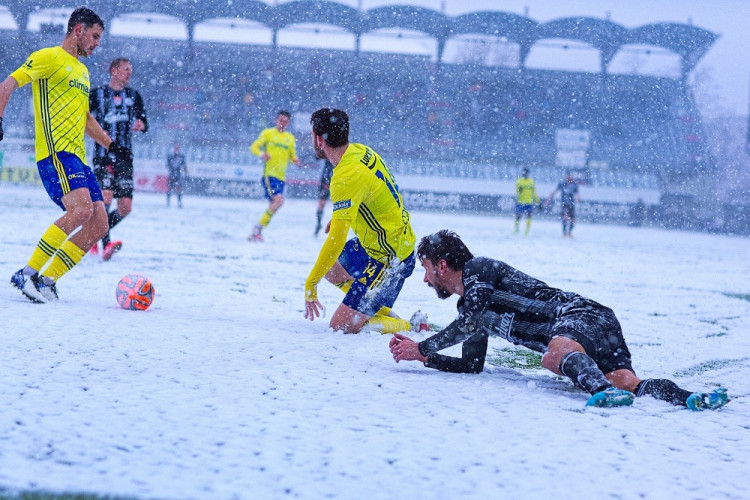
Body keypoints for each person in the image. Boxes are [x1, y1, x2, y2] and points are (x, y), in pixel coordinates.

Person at [389, 230, 730, 410]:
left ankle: (601, 393)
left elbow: (470, 322)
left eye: (427, 270)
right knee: (626, 381)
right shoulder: (469, 309)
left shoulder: (480, 270)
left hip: (578, 314)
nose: (426, 279)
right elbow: (473, 365)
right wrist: (427, 358)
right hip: (592, 328)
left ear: (442, 265)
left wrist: (421, 346)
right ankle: (689, 398)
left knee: (552, 357)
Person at [0, 7, 132, 303]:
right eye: (95, 36)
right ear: (78, 30)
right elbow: (6, 85)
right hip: (55, 153)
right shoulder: (48, 57)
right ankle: (27, 273)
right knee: (81, 211)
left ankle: (47, 281)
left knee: (99, 224)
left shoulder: (83, 72)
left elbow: (86, 119)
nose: (97, 43)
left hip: (78, 157)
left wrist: (113, 146)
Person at [304, 108, 418, 334]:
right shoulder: (359, 151)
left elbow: (336, 240)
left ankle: (409, 326)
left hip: (390, 258)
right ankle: (373, 306)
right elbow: (376, 193)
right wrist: (342, 216)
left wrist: (310, 284)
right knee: (330, 267)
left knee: (341, 327)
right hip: (384, 242)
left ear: (319, 139)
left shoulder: (346, 176)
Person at [89, 57, 148, 260]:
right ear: (114, 70)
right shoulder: (96, 94)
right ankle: (106, 244)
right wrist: (97, 129)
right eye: (125, 69)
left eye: (130, 69)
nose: (129, 73)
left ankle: (93, 234)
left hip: (125, 157)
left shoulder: (134, 95)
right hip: (103, 155)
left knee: (125, 207)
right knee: (105, 198)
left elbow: (144, 120)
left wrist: (141, 124)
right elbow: (83, 118)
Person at [248, 110, 301, 241]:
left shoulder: (290, 138)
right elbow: (254, 147)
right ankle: (258, 228)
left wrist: (295, 159)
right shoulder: (268, 133)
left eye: (285, 121)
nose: (282, 123)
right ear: (276, 120)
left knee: (277, 203)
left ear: (288, 123)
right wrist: (262, 154)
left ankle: (258, 231)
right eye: (280, 120)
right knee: (279, 201)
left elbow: (292, 154)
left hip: (281, 177)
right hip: (269, 175)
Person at [546, 170, 580, 237]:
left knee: (573, 219)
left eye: (570, 176)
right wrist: (549, 198)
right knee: (564, 217)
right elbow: (555, 191)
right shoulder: (562, 183)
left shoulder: (574, 184)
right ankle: (564, 233)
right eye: (567, 176)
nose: (568, 177)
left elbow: (577, 193)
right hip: (564, 203)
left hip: (571, 204)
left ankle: (569, 232)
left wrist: (578, 198)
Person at [514, 167, 540, 235]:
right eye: (524, 172)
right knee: (518, 216)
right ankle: (516, 229)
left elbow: (534, 192)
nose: (525, 173)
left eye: (526, 172)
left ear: (528, 173)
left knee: (528, 216)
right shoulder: (519, 181)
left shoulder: (531, 181)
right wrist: (519, 190)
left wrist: (537, 201)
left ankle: (527, 231)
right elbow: (517, 192)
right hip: (520, 201)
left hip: (529, 202)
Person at [314, 158, 334, 237]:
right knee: (322, 203)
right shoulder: (329, 150)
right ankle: (318, 224)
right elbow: (317, 157)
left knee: (323, 203)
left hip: (334, 179)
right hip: (327, 179)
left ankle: (320, 224)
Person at [166, 143, 188, 208]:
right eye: (176, 147)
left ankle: (179, 202)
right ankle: (168, 202)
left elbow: (184, 164)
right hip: (172, 173)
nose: (177, 149)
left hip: (178, 173)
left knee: (179, 188)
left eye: (178, 147)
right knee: (169, 188)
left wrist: (186, 172)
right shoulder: (170, 155)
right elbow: (168, 164)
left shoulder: (182, 155)